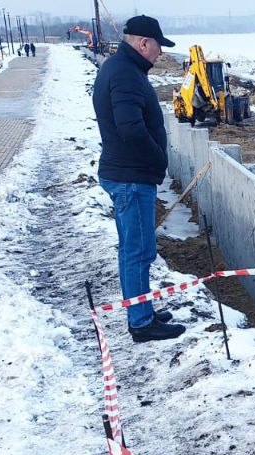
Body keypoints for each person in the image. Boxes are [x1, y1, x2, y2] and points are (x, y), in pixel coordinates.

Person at [92, 15, 183, 342]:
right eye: (158, 46)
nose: (160, 53)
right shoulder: (126, 74)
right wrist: (158, 157)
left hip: (127, 173)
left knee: (134, 249)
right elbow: (131, 129)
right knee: (138, 250)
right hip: (131, 177)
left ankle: (141, 309)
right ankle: (142, 322)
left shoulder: (121, 68)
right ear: (144, 43)